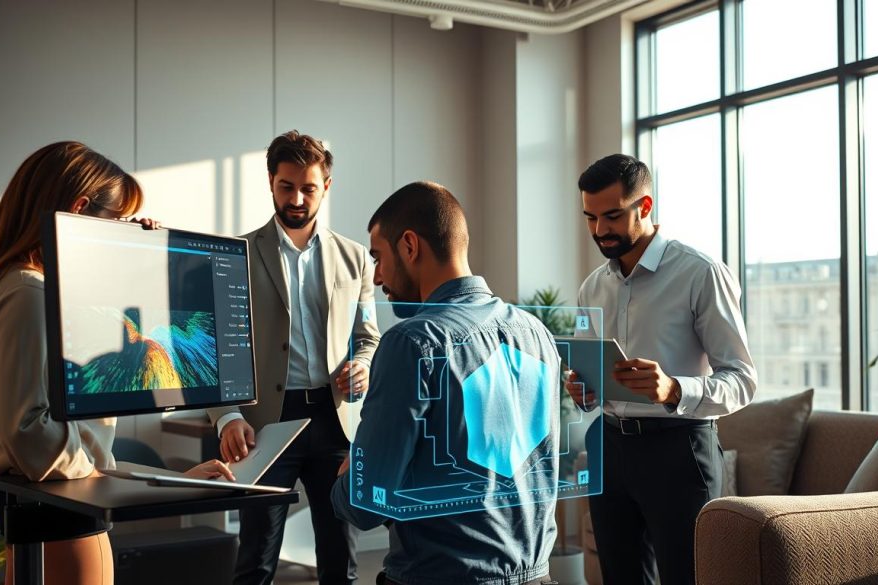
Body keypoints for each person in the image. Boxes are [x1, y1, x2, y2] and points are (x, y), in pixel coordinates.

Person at [0, 141, 234, 585]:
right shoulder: (29, 295)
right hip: (58, 507)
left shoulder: (8, 287)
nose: (121, 229)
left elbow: (70, 428)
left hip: (41, 501)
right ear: (80, 207)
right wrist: (114, 481)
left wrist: (131, 256)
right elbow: (29, 429)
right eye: (115, 221)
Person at [331, 181, 560, 585]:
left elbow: (366, 504)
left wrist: (347, 477)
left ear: (409, 246)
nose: (378, 276)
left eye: (378, 258)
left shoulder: (410, 343)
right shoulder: (538, 334)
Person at [565, 154, 757, 585]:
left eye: (612, 216)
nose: (599, 230)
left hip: (680, 451)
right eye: (590, 218)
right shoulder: (592, 286)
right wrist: (584, 387)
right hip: (609, 447)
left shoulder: (701, 273)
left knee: (688, 578)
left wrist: (673, 389)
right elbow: (591, 369)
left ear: (645, 207)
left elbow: (743, 380)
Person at [208, 130, 379, 585]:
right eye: (287, 186)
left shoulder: (357, 259)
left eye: (309, 187)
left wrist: (361, 364)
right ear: (270, 182)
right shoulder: (236, 255)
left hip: (335, 419)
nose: (298, 198)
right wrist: (226, 417)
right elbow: (215, 348)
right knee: (256, 561)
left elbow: (368, 337)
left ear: (327, 185)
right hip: (266, 423)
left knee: (340, 561)